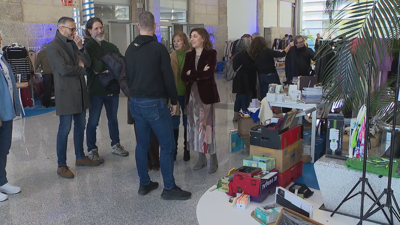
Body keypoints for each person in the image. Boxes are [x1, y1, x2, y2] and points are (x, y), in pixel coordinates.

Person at [125, 11, 191, 200]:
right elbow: (168, 78)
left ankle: (144, 183)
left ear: (138, 26)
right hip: (154, 103)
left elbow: (127, 78)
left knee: (142, 145)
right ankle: (169, 188)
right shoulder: (158, 48)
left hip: (135, 102)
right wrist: (174, 101)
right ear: (154, 27)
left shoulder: (130, 49)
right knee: (168, 145)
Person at [47, 17, 101, 179]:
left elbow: (88, 63)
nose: (74, 32)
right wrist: (80, 69)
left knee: (80, 126)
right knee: (64, 130)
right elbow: (63, 69)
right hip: (66, 94)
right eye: (72, 29)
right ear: (62, 28)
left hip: (80, 92)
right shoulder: (52, 46)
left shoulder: (73, 43)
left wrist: (81, 48)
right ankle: (61, 165)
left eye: (75, 29)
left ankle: (80, 156)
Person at [84, 17, 129, 163]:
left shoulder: (110, 46)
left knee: (113, 120)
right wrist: (110, 63)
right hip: (96, 91)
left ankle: (115, 144)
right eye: (96, 28)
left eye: (101, 27)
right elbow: (95, 67)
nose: (100, 30)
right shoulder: (88, 48)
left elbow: (121, 63)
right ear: (90, 31)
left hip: (112, 89)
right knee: (93, 121)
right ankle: (92, 149)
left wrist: (104, 65)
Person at [181, 28, 220, 173]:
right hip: (192, 97)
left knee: (207, 127)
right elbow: (184, 76)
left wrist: (193, 73)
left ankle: (213, 157)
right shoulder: (189, 55)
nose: (192, 39)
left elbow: (208, 74)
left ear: (203, 38)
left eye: (195, 36)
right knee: (195, 127)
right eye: (191, 36)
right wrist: (198, 73)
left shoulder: (211, 54)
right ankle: (201, 157)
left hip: (206, 97)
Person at [0, 33, 28, 202]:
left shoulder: (2, 58)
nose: (1, 37)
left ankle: (2, 181)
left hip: (6, 112)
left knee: (3, 149)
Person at [170, 32, 191, 161]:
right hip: (175, 94)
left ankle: (187, 149)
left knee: (187, 123)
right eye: (174, 41)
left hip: (188, 94)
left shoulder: (190, 55)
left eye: (179, 40)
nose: (176, 43)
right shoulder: (171, 56)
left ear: (184, 42)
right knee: (174, 124)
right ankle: (174, 150)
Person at [232, 37, 257, 122]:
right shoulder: (245, 55)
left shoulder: (237, 54)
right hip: (245, 80)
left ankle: (236, 114)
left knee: (238, 97)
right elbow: (250, 66)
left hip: (238, 80)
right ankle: (244, 114)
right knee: (244, 98)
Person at [34, 44, 54, 108]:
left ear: (42, 48)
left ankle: (46, 104)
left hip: (47, 73)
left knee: (47, 89)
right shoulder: (53, 51)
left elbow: (36, 63)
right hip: (55, 72)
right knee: (57, 88)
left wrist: (36, 69)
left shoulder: (41, 53)